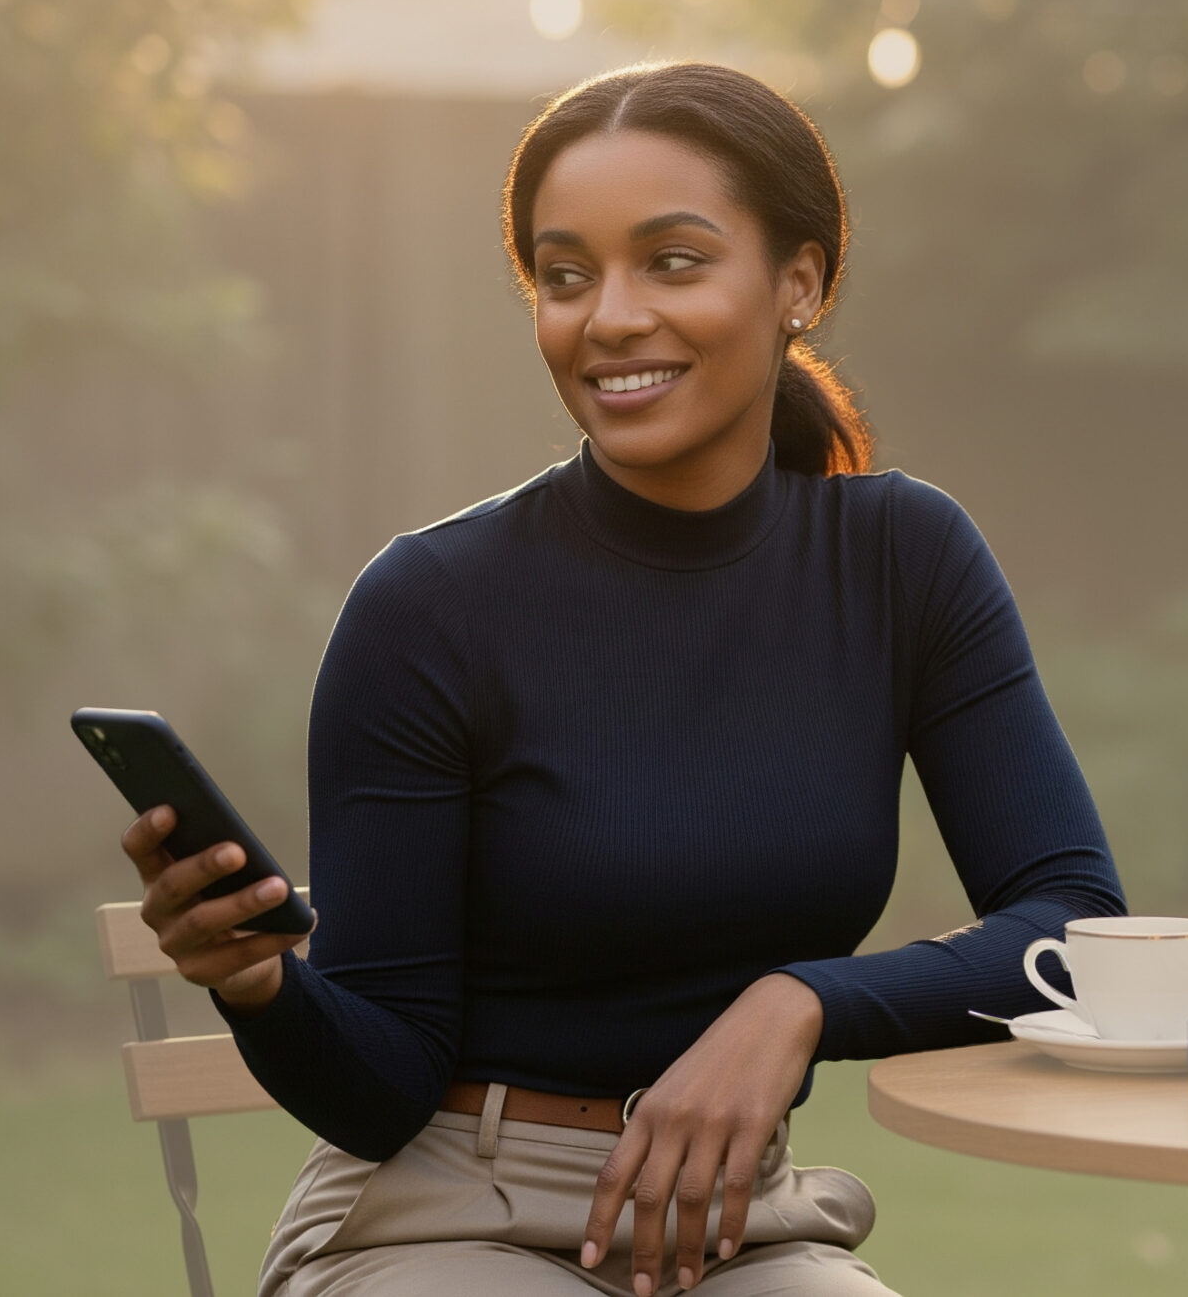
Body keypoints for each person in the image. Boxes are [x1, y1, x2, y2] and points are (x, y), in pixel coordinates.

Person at [118, 62, 1125, 1297]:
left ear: (798, 282)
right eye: (566, 275)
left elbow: (1077, 931)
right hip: (446, 1219)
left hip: (733, 1230)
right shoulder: (430, 607)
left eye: (674, 262)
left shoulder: (902, 563)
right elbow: (381, 1083)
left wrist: (802, 1003)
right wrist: (261, 983)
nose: (608, 317)